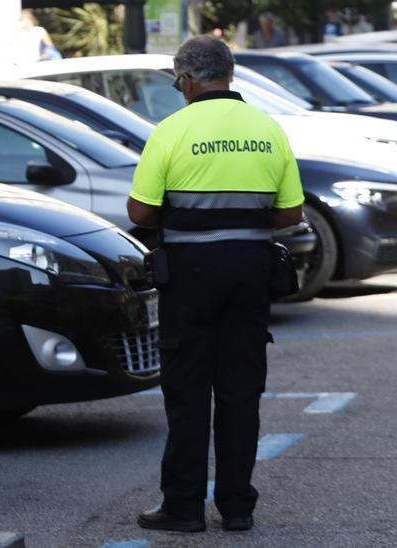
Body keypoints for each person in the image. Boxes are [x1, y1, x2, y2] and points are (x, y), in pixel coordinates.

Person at [128, 35, 304, 534]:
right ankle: (237, 507)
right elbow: (290, 211)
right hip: (250, 271)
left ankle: (182, 508)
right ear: (230, 74)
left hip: (190, 275)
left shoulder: (172, 129)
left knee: (187, 394)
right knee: (240, 393)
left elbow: (140, 211)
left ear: (184, 79)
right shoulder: (267, 129)